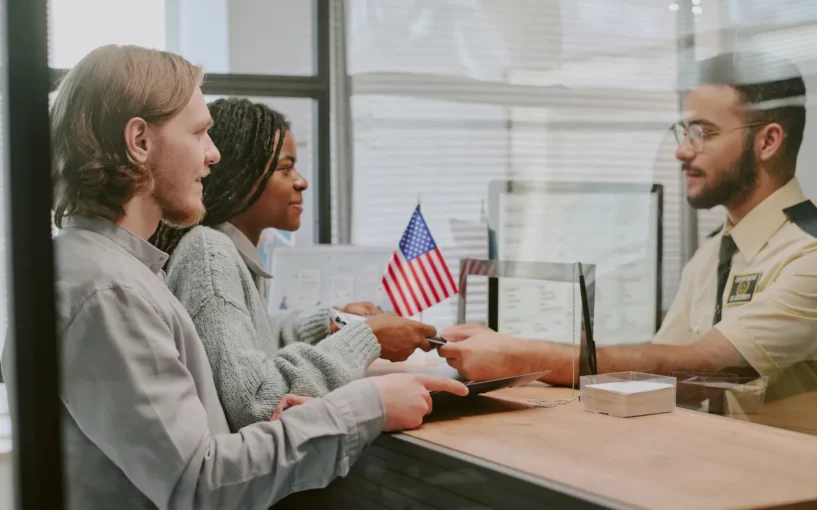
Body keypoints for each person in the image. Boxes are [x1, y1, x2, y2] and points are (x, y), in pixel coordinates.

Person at [0, 44, 468, 510]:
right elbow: (200, 482)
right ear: (140, 141)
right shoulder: (108, 290)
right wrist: (368, 406)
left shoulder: (114, 271)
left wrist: (296, 418)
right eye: (200, 133)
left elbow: (189, 442)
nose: (213, 154)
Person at [438, 51, 817, 432]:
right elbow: (671, 379)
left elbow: (706, 363)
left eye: (703, 133)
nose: (682, 150)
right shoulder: (713, 251)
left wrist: (520, 358)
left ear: (768, 142)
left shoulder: (814, 252)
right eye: (684, 132)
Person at [150, 98, 438, 431]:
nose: (301, 182)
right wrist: (365, 339)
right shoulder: (210, 253)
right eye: (286, 169)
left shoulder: (224, 248)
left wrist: (329, 323)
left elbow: (250, 339)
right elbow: (258, 402)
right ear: (240, 176)